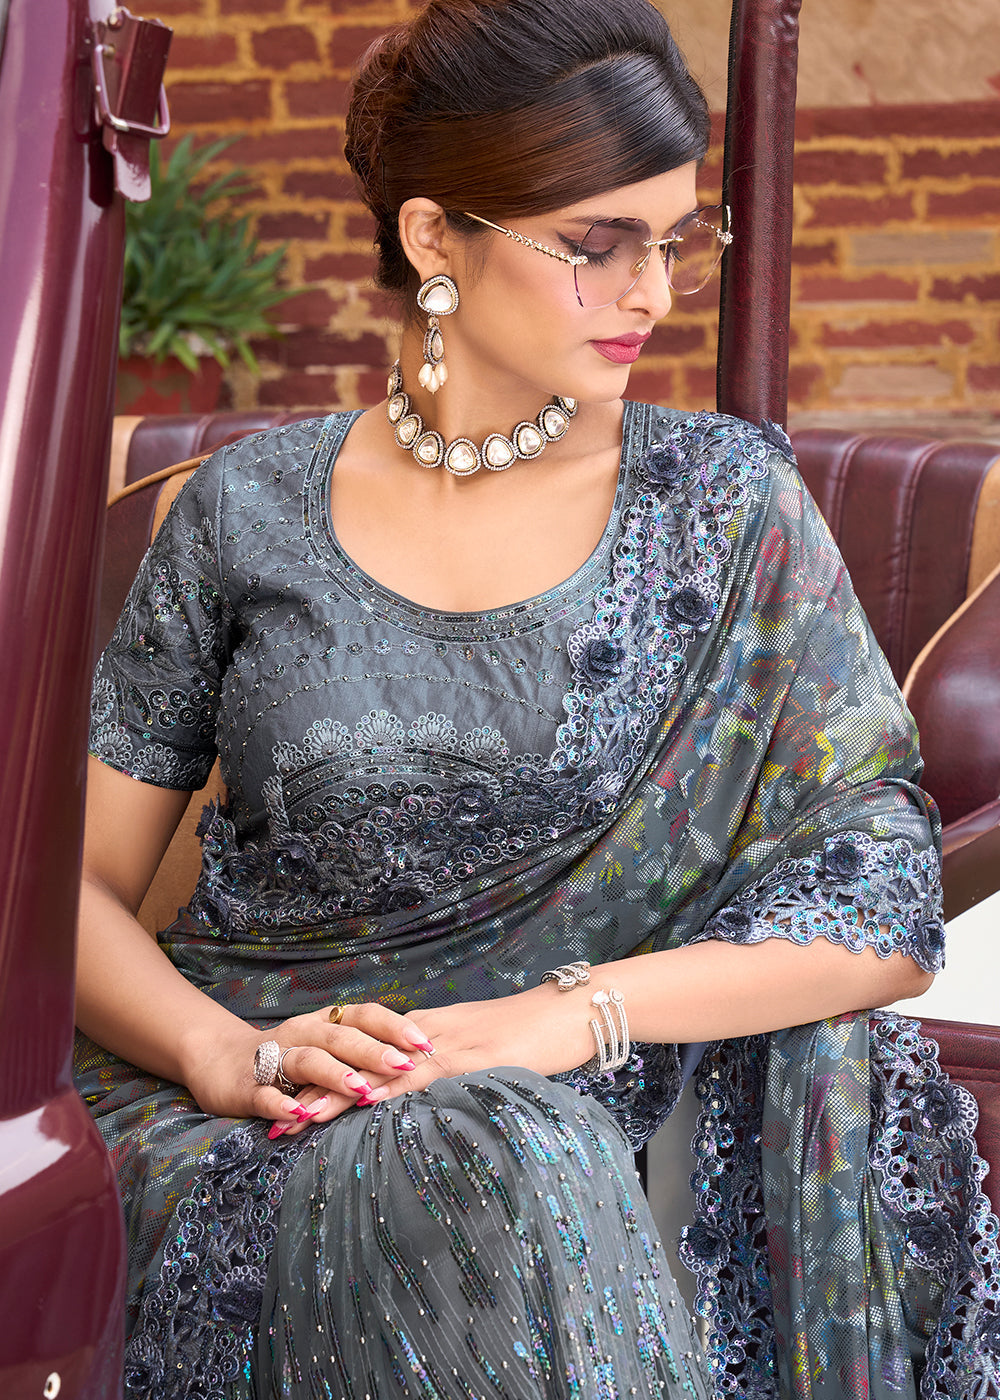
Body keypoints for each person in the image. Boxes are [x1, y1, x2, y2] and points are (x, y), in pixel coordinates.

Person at [75, 2, 997, 1397]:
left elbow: (879, 898)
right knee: (485, 1162)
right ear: (433, 238)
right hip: (274, 1110)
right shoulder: (245, 510)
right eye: (596, 244)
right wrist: (225, 1052)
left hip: (592, 1112)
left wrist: (566, 1018)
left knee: (515, 1152)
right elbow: (73, 896)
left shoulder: (726, 507)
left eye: (676, 241)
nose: (654, 295)